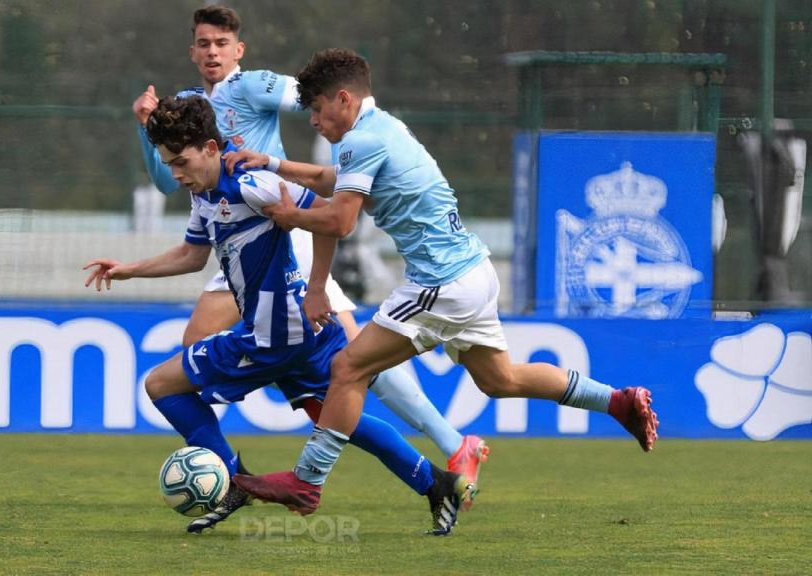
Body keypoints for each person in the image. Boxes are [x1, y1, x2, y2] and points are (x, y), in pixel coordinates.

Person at [229, 49, 660, 515]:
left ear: (343, 99)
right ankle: (617, 401)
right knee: (501, 379)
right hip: (474, 271)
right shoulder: (383, 128)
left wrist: (287, 216)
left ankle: (307, 482)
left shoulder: (360, 141)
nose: (313, 120)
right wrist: (274, 164)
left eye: (316, 107)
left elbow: (340, 222)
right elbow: (335, 180)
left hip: (441, 283)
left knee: (348, 368)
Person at [131, 5, 488, 499]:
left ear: (238, 49)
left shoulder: (252, 86)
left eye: (222, 43)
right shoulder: (189, 107)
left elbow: (313, 102)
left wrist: (334, 134)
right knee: (333, 377)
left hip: (284, 221)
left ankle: (446, 442)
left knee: (353, 362)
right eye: (204, 43)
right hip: (232, 229)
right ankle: (436, 470)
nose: (212, 52)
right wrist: (146, 125)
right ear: (191, 50)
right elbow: (165, 180)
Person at [86, 95, 471, 535]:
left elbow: (327, 214)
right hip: (300, 331)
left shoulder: (249, 182)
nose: (175, 173)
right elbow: (192, 255)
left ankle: (233, 482)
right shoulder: (204, 193)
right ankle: (436, 483)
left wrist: (318, 287)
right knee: (335, 417)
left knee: (161, 384)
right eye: (168, 164)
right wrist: (129, 270)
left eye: (181, 162)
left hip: (275, 334)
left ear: (210, 148)